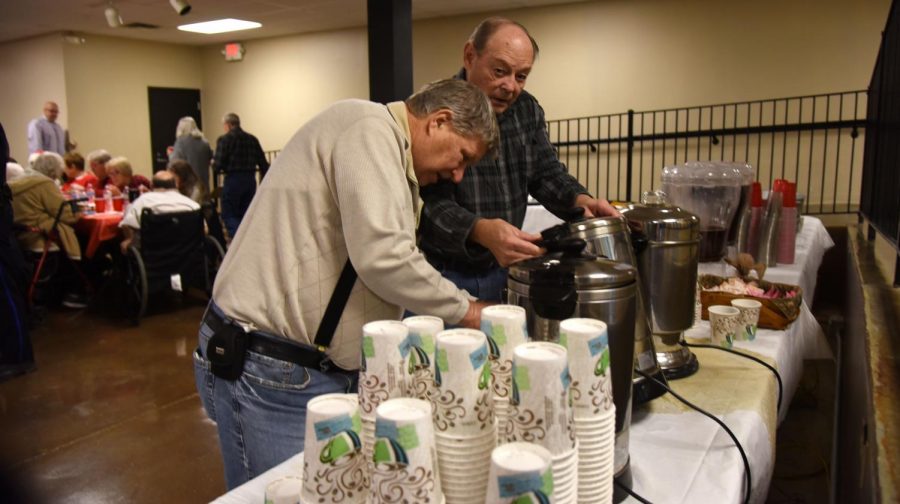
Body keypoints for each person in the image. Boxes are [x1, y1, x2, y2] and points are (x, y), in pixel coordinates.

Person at [194, 78, 498, 489]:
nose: (458, 175)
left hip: (299, 366)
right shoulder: (369, 129)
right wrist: (468, 309)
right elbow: (385, 256)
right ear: (438, 121)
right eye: (462, 156)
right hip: (269, 367)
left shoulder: (383, 145)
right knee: (277, 494)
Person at [418, 17, 620, 302]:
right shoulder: (435, 109)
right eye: (500, 71)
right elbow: (425, 206)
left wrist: (581, 201)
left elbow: (547, 173)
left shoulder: (526, 109)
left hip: (508, 269)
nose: (510, 86)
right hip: (447, 274)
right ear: (469, 56)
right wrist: (479, 230)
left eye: (521, 76)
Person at [212, 113, 269, 239]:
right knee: (247, 214)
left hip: (233, 179)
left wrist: (213, 163)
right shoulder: (252, 139)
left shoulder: (225, 139)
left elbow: (218, 165)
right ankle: (250, 240)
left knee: (229, 214)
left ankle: (239, 241)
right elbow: (263, 163)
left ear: (228, 125)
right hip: (250, 179)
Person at [118, 171, 201, 253]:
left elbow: (127, 224)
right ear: (175, 185)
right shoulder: (192, 205)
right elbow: (204, 229)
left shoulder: (143, 201)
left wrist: (129, 239)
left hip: (154, 257)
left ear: (151, 185)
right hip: (187, 257)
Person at [170, 116, 213, 192]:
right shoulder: (205, 142)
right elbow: (210, 159)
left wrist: (170, 154)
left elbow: (174, 163)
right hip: (203, 183)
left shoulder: (181, 142)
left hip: (188, 184)